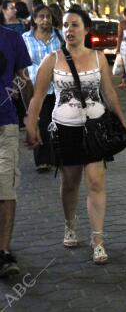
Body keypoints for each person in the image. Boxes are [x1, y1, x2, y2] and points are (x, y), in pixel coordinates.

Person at [25, 8, 126, 265]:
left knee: (95, 182)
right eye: (66, 25)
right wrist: (32, 124)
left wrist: (122, 120)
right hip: (64, 129)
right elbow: (38, 95)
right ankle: (70, 225)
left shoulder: (98, 58)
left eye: (75, 25)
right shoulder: (53, 59)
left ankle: (98, 240)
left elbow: (110, 93)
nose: (69, 30)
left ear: (86, 29)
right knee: (70, 183)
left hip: (95, 130)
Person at [0, 24, 33, 277]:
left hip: (5, 126)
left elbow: (23, 79)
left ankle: (3, 252)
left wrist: (31, 119)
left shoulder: (12, 38)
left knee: (5, 189)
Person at [21, 5, 65, 172]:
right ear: (34, 19)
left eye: (48, 16)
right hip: (35, 87)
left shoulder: (60, 36)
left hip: (59, 86)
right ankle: (42, 159)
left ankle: (59, 157)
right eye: (41, 16)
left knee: (59, 122)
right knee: (40, 121)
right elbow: (21, 65)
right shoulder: (25, 38)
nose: (45, 19)